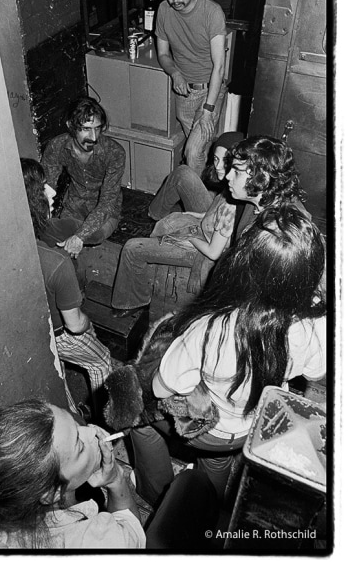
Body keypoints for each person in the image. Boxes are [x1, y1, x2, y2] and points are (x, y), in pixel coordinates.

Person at [130, 205, 327, 504]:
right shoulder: (316, 323)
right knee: (217, 460)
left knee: (137, 418)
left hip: (213, 428)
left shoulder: (211, 328)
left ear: (243, 265)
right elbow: (315, 373)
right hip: (254, 423)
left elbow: (161, 388)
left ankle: (158, 495)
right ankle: (206, 502)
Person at [0, 399, 219, 550]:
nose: (94, 431)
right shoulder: (97, 541)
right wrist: (115, 479)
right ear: (53, 493)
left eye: (76, 425)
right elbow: (131, 531)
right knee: (192, 484)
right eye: (80, 446)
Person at [111, 134, 311, 318]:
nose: (228, 176)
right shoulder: (261, 201)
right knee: (182, 181)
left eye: (237, 171)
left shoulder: (275, 232)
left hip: (234, 292)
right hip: (215, 242)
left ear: (262, 177)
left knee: (133, 248)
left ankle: (131, 303)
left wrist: (189, 238)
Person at [20, 158, 111, 416]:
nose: (51, 192)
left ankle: (71, 411)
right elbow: (74, 324)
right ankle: (102, 423)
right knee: (101, 360)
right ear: (29, 199)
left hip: (29, 328)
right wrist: (88, 324)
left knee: (56, 370)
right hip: (57, 333)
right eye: (42, 188)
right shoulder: (58, 264)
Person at [156, 0, 228, 174]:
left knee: (194, 152)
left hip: (210, 92)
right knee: (195, 151)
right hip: (184, 94)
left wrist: (209, 109)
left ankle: (195, 206)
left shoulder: (212, 12)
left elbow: (219, 66)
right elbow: (163, 54)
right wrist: (175, 73)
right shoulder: (163, 10)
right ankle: (204, 190)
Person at [40, 96, 126, 259]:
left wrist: (80, 235)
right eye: (86, 129)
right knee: (56, 235)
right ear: (71, 126)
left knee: (94, 234)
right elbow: (48, 187)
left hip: (105, 211)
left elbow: (108, 202)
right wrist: (43, 213)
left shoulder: (115, 152)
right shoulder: (57, 146)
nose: (93, 137)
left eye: (98, 128)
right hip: (75, 203)